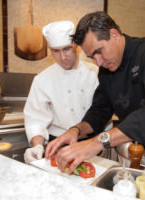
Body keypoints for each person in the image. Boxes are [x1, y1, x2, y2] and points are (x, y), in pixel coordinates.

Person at [45, 12, 145, 174]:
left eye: (99, 51)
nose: (98, 62)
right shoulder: (106, 70)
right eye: (92, 56)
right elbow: (99, 111)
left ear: (114, 35)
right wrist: (76, 130)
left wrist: (97, 142)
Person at [23, 20, 99, 164]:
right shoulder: (42, 79)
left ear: (76, 45)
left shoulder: (95, 73)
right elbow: (35, 119)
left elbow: (103, 113)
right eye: (56, 51)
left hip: (91, 144)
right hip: (58, 145)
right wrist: (37, 146)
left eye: (67, 49)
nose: (62, 57)